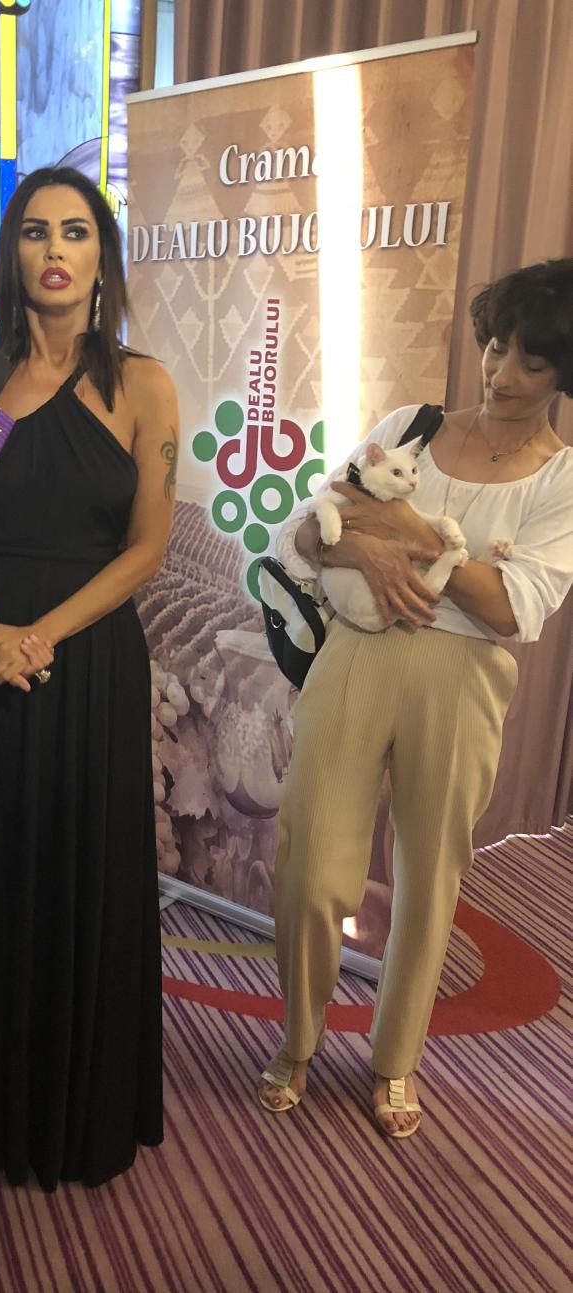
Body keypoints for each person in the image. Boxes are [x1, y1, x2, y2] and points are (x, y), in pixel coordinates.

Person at [258, 258, 573, 1138]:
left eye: (531, 362)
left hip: (463, 678)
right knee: (310, 868)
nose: (501, 373)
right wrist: (366, 547)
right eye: (497, 346)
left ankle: (396, 1058)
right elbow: (306, 533)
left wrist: (400, 527)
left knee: (430, 878)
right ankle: (298, 1038)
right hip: (357, 652)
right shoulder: (411, 426)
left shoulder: (561, 479)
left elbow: (512, 607)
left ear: (563, 372)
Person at [0, 165, 179, 1188]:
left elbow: (147, 548)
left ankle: (80, 1110)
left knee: (86, 872)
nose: (55, 250)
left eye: (75, 231)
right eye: (35, 231)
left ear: (101, 257)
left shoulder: (141, 384)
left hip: (91, 657)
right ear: (12, 253)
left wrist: (42, 635)